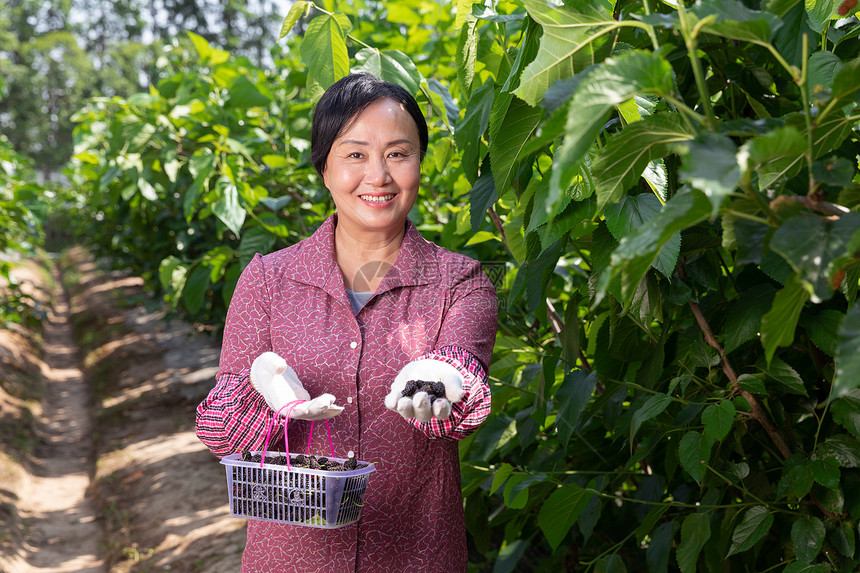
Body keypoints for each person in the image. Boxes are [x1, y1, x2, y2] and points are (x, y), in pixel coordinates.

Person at [196, 73, 498, 572]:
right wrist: (275, 401)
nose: (378, 176)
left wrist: (442, 382)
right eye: (355, 154)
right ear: (324, 167)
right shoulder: (269, 280)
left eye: (398, 154)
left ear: (419, 163)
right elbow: (221, 428)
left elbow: (460, 377)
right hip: (290, 558)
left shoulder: (459, 282)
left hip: (415, 556)